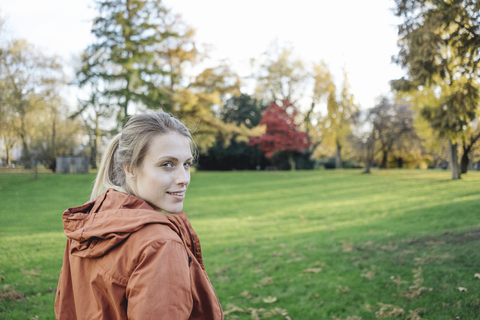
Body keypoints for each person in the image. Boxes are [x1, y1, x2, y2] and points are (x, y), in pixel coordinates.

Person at [54, 111, 223, 320]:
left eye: (186, 164)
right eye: (167, 164)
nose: (184, 178)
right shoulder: (160, 244)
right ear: (130, 169)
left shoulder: (89, 222)